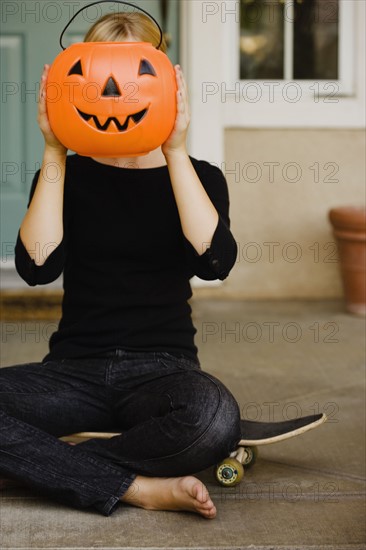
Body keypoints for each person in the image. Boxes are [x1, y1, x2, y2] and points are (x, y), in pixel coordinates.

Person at [0, 12, 241, 519]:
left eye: (137, 78)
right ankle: (136, 486)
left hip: (164, 370)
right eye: (99, 79)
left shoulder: (199, 176)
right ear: (74, 87)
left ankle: (39, 465)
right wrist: (53, 148)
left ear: (165, 83)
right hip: (72, 373)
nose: (117, 93)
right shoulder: (65, 176)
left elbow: (215, 261)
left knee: (214, 419)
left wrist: (174, 149)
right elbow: (36, 268)